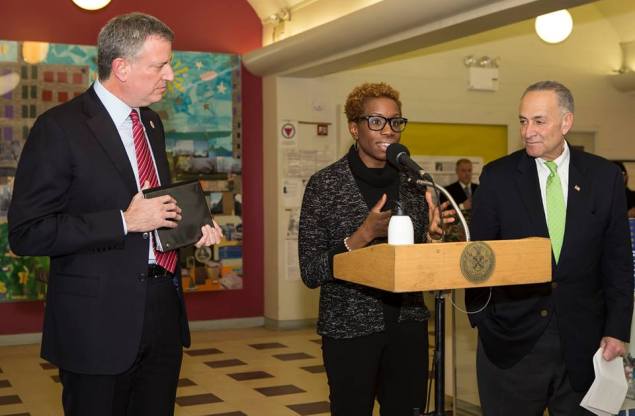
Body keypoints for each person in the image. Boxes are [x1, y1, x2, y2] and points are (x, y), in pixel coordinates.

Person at [7, 13, 223, 415]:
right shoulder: (59, 128)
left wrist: (192, 225)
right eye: (160, 65)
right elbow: (27, 232)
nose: (170, 75)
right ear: (121, 67)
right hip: (96, 322)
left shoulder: (152, 123)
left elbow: (156, 206)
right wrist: (124, 221)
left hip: (162, 309)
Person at [466, 80, 633, 415]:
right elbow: (477, 257)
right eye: (523, 121)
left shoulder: (604, 178)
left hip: (584, 347)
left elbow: (616, 261)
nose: (528, 131)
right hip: (512, 346)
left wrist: (616, 330)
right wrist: (483, 321)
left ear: (566, 122)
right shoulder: (497, 177)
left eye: (539, 121)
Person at [298, 82, 453, 416]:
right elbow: (310, 270)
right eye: (377, 121)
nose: (389, 130)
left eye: (396, 121)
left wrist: (435, 238)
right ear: (354, 127)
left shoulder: (415, 185)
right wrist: (360, 236)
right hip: (350, 332)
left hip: (408, 327)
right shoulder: (325, 185)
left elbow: (423, 265)